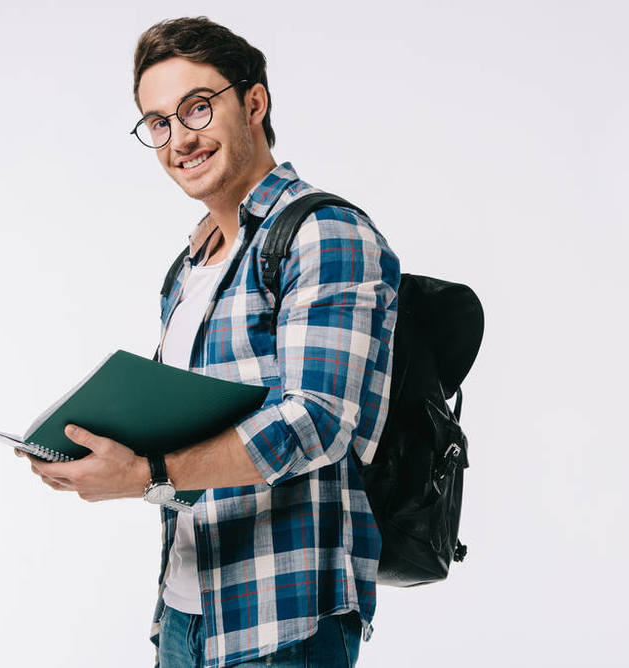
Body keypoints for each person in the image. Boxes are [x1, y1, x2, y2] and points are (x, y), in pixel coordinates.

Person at [22, 16, 400, 668]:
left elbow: (317, 423)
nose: (179, 139)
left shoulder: (323, 232)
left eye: (197, 108)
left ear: (254, 102)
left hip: (284, 619)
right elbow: (194, 433)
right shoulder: (191, 263)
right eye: (159, 122)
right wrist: (106, 458)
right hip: (185, 612)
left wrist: (145, 474)